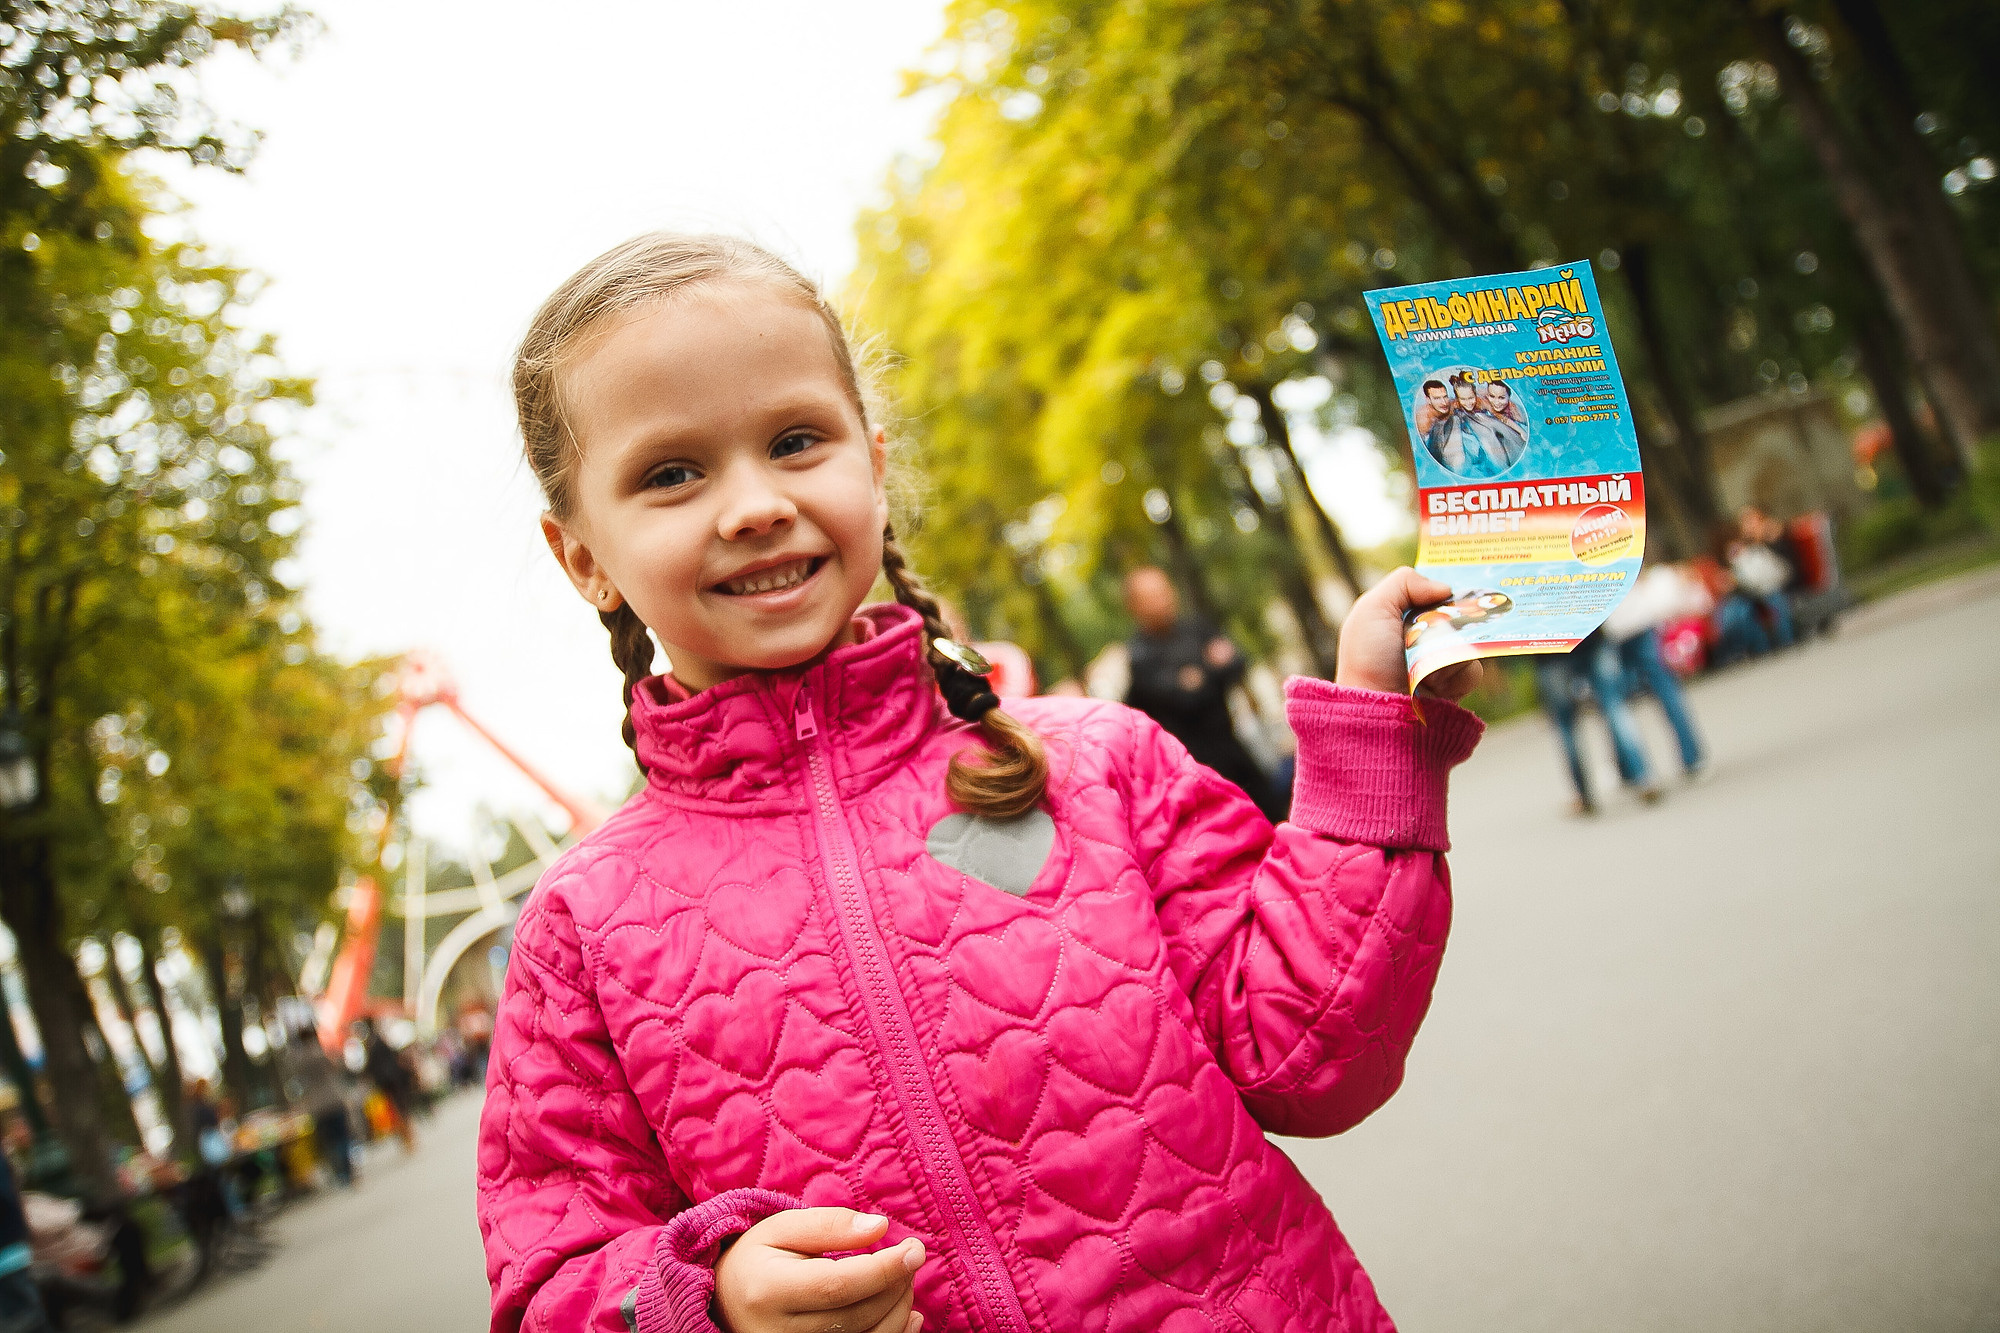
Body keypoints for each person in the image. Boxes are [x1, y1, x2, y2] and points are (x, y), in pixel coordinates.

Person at [475, 232, 1488, 1333]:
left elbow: (1311, 1060)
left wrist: (1372, 741)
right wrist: (700, 1301)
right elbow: (555, 1275)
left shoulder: (1102, 762)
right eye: (672, 473)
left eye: (795, 439)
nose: (753, 502)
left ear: (870, 456)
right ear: (580, 555)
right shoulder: (580, 930)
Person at [1120, 566, 1284, 821]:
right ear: (1134, 607)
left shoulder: (1196, 627)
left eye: (1164, 591)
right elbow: (1185, 699)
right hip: (1194, 774)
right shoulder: (1140, 657)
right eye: (1151, 597)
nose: (1163, 600)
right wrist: (1211, 669)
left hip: (1234, 749)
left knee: (1273, 815)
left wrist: (1199, 676)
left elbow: (1237, 663)